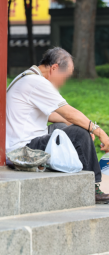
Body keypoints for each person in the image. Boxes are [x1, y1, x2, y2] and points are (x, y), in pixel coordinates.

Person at [6, 47, 109, 204]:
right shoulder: (36, 82)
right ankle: (91, 187)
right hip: (22, 151)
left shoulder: (25, 77)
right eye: (65, 77)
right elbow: (68, 112)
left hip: (19, 144)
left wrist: (81, 125)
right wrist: (99, 131)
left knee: (65, 128)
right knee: (79, 134)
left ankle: (78, 177)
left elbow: (54, 116)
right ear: (54, 68)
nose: (63, 83)